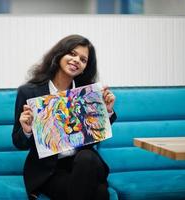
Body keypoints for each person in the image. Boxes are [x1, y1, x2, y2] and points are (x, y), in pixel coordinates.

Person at [12, 34, 117, 200]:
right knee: (99, 193)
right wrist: (27, 130)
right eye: (72, 54)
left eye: (83, 59)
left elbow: (94, 140)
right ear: (60, 54)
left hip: (85, 163)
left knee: (86, 157)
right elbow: (18, 143)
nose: (76, 60)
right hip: (50, 171)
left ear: (85, 67)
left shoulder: (87, 93)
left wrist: (107, 112)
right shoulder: (29, 92)